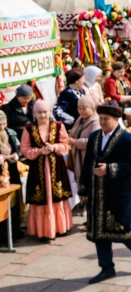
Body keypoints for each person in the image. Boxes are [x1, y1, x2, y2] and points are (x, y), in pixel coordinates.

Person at [78, 102, 131, 284]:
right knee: (99, 234)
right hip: (96, 193)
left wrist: (109, 169)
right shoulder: (94, 136)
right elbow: (88, 163)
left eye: (106, 119)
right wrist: (83, 189)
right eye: (100, 119)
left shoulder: (127, 139)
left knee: (123, 230)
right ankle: (107, 268)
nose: (102, 122)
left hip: (118, 194)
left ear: (116, 119)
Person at [20, 100, 72, 242]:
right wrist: (39, 151)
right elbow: (24, 148)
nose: (42, 115)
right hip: (38, 168)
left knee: (57, 195)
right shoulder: (29, 128)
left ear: (49, 113)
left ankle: (60, 228)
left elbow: (65, 144)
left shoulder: (58, 126)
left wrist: (54, 148)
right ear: (34, 113)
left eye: (45, 112)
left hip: (56, 167)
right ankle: (43, 231)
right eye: (39, 112)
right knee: (41, 198)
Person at [66, 96, 100, 206]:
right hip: (79, 157)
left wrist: (75, 142)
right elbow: (73, 133)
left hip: (89, 159)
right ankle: (85, 206)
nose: (81, 111)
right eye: (79, 108)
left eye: (84, 108)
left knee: (91, 184)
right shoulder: (80, 120)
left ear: (92, 108)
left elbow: (93, 142)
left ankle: (91, 210)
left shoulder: (96, 122)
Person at [0, 111, 23, 241]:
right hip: (1, 174)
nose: (2, 127)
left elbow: (17, 151)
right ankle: (3, 235)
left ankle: (14, 231)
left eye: (4, 124)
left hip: (12, 172)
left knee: (14, 204)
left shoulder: (10, 133)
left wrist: (11, 156)